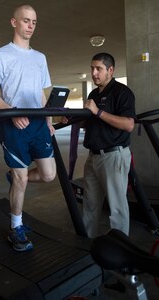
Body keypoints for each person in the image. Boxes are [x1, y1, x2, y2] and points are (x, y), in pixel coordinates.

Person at [0, 4, 56, 252]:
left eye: (34, 22)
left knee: (48, 175)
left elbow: (42, 94)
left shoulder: (40, 57)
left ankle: (15, 178)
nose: (30, 26)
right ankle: (16, 227)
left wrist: (48, 121)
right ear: (14, 23)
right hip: (13, 125)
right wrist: (11, 113)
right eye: (26, 21)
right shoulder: (0, 55)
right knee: (21, 178)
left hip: (37, 124)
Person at [82, 53, 136, 238]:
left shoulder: (122, 92)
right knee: (89, 204)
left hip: (113, 156)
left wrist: (97, 112)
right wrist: (74, 120)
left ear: (110, 70)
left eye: (99, 69)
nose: (94, 73)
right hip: (93, 156)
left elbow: (129, 124)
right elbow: (91, 122)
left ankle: (121, 251)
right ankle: (88, 245)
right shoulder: (93, 94)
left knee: (117, 208)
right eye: (92, 68)